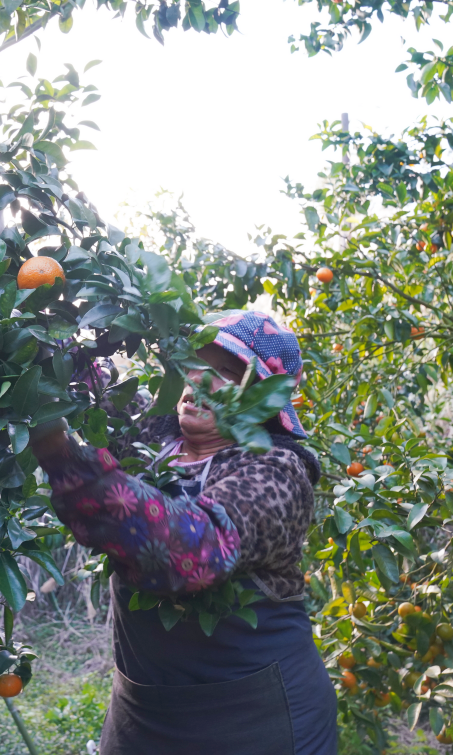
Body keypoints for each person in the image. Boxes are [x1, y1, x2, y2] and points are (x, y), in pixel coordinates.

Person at [31, 311, 336, 754]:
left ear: (263, 399)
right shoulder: (150, 433)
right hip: (144, 713)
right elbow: (75, 380)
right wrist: (28, 336)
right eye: (193, 364)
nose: (198, 381)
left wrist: (58, 453)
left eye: (226, 373)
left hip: (256, 719)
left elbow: (193, 550)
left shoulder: (279, 472)